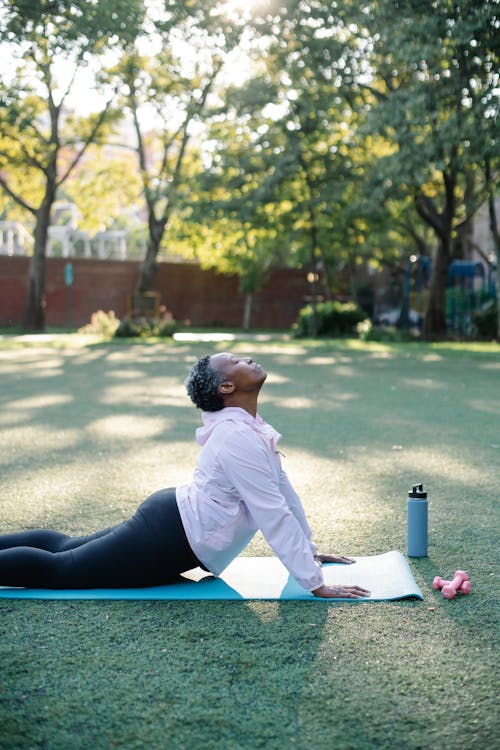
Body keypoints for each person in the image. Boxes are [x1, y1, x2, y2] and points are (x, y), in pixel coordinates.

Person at [0, 353, 369, 599]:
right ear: (226, 387)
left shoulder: (248, 428)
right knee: (61, 569)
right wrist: (315, 584)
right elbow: (271, 511)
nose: (248, 358)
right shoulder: (238, 437)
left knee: (65, 548)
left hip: (170, 522)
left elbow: (282, 491)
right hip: (169, 536)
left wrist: (309, 550)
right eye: (237, 360)